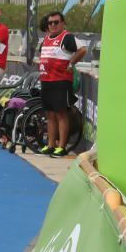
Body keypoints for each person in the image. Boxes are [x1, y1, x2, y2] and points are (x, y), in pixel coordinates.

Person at [38, 11, 87, 157]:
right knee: (50, 115)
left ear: (62, 23)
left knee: (61, 114)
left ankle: (61, 146)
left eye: (56, 22)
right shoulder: (46, 38)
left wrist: (71, 63)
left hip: (61, 81)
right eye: (50, 22)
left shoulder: (67, 37)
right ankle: (51, 145)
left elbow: (83, 49)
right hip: (46, 81)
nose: (53, 25)